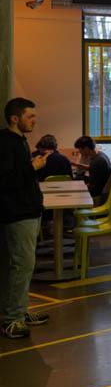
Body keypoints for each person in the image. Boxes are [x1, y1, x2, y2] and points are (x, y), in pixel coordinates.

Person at [0, 98, 49, 339]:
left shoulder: (19, 141)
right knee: (21, 266)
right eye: (30, 117)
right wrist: (34, 167)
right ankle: (12, 319)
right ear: (14, 118)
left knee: (23, 266)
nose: (34, 120)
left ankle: (19, 310)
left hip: (28, 211)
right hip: (18, 214)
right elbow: (7, 181)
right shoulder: (7, 143)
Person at [74, 136, 111, 205]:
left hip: (100, 191)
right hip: (103, 187)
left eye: (80, 149)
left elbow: (95, 186)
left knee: (76, 193)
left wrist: (83, 187)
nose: (79, 152)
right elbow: (93, 171)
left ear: (86, 148)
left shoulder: (98, 161)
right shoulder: (100, 155)